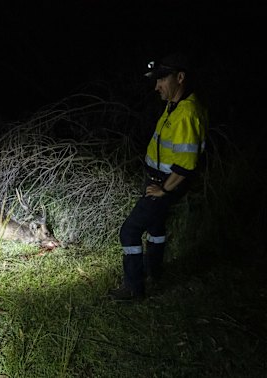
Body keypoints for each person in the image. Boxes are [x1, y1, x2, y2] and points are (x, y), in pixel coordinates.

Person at [108, 52, 208, 301]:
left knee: (129, 232)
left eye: (162, 79)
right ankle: (155, 272)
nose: (157, 86)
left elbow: (186, 163)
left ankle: (134, 288)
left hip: (164, 183)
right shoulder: (174, 106)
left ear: (180, 77)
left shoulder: (186, 112)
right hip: (156, 179)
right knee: (155, 227)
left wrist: (165, 189)